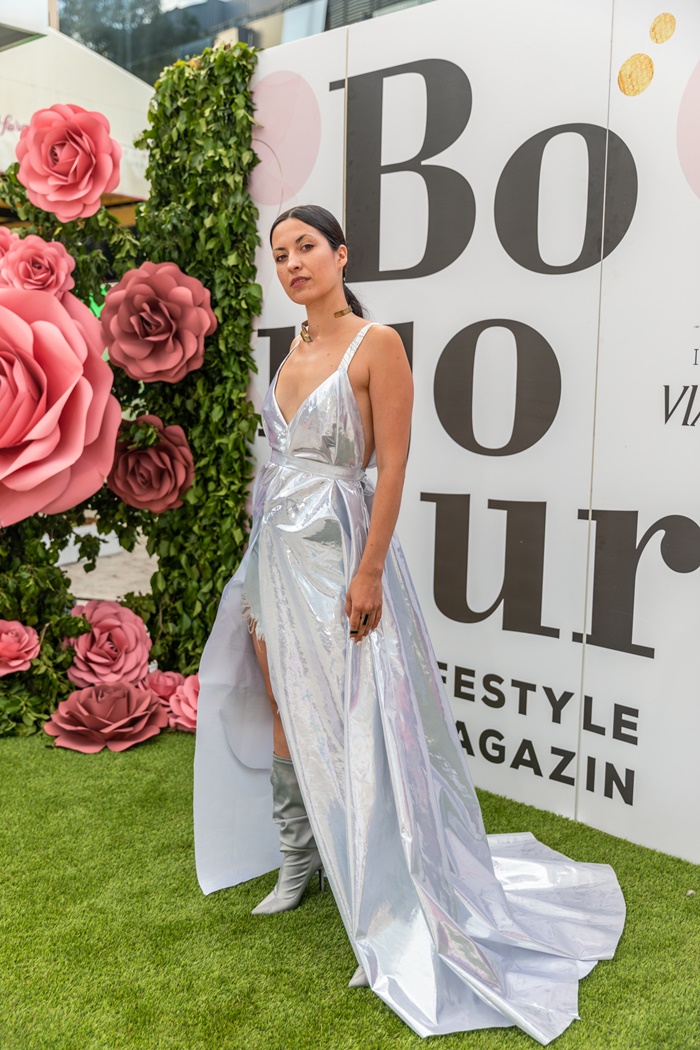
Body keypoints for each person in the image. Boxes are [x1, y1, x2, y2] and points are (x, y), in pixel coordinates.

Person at [193, 205, 625, 1044]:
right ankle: (299, 863)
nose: (292, 263)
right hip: (275, 557)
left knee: (365, 718)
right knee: (287, 706)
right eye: (279, 254)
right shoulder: (290, 351)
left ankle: (390, 902)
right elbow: (279, 469)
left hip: (341, 556)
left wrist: (367, 573)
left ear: (341, 254)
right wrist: (254, 566)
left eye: (306, 247)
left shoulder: (376, 344)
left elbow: (391, 467)